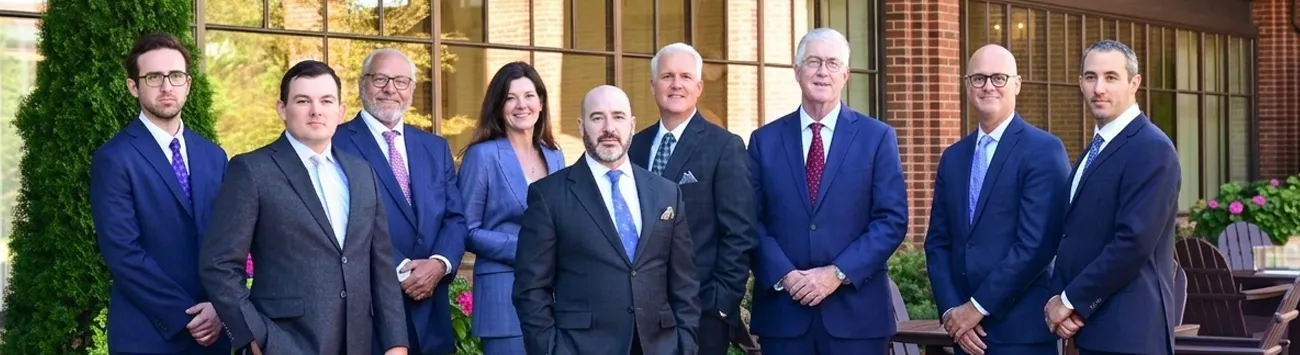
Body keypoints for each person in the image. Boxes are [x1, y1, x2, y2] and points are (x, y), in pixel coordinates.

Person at [198, 60, 409, 355]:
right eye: (303, 100)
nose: (316, 110)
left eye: (326, 101)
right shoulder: (252, 170)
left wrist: (396, 343)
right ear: (282, 109)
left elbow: (381, 266)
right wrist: (255, 338)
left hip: (357, 342)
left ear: (341, 111)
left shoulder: (364, 173)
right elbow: (220, 264)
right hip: (283, 343)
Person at [746, 27, 908, 355]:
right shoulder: (764, 141)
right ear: (797, 71)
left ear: (846, 74)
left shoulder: (877, 138)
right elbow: (750, 220)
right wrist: (787, 276)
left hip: (857, 318)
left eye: (833, 63)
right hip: (784, 316)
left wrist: (836, 274)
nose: (823, 72)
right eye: (814, 62)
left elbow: (890, 220)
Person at [513, 85, 700, 355]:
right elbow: (531, 289)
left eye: (618, 117)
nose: (608, 127)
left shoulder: (666, 192)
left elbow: (685, 282)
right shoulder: (549, 196)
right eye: (597, 117)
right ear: (581, 125)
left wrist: (684, 343)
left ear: (632, 125)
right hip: (580, 348)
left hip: (661, 347)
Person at [923, 44, 1071, 355]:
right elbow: (938, 242)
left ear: (1017, 84)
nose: (988, 86)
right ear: (967, 86)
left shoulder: (1044, 150)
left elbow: (1036, 246)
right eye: (978, 78)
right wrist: (952, 312)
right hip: (966, 335)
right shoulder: (953, 158)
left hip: (1020, 334)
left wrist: (977, 307)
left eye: (999, 78)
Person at [90, 32, 230, 354]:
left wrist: (219, 306)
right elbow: (124, 253)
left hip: (216, 330)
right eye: (154, 77)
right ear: (133, 86)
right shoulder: (114, 158)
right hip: (149, 334)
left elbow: (227, 240)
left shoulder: (214, 156)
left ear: (188, 85)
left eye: (176, 76)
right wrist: (188, 316)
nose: (167, 86)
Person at [1045, 39, 1181, 355]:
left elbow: (1132, 244)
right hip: (1092, 330)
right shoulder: (1096, 148)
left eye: (1111, 77)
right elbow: (1074, 235)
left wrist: (1069, 301)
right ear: (1080, 83)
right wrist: (1059, 299)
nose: (1099, 88)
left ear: (1134, 83)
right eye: (1090, 77)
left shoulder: (1152, 149)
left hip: (1130, 335)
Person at [332, 48, 469, 355]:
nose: (390, 88)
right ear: (362, 83)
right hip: (370, 309)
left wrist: (439, 263)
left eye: (401, 81)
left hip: (432, 311)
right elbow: (338, 219)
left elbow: (455, 217)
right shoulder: (336, 143)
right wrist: (400, 267)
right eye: (380, 78)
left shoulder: (434, 147)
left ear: (411, 89)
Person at [628, 42, 758, 355]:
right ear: (653, 85)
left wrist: (720, 305)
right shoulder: (632, 148)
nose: (676, 84)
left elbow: (739, 234)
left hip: (700, 315)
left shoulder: (724, 147)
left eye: (686, 77)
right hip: (638, 315)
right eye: (667, 76)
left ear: (699, 87)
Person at [456, 61, 565, 355]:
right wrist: (527, 248)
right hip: (503, 295)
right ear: (498, 105)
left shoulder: (555, 156)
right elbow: (465, 228)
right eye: (510, 97)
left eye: (529, 96)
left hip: (554, 296)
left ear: (541, 102)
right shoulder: (482, 156)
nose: (521, 105)